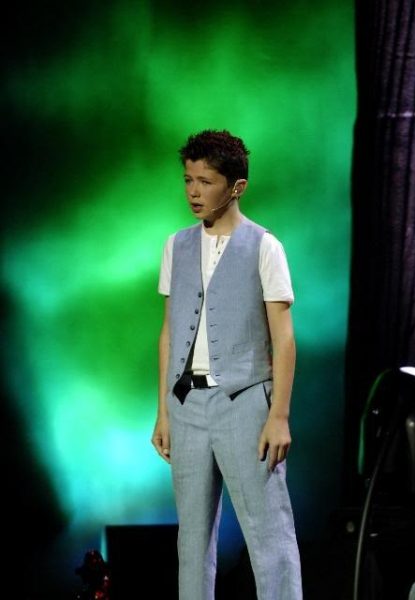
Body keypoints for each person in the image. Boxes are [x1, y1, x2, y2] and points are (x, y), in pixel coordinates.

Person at [151, 129, 302, 600]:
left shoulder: (264, 246)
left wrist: (278, 415)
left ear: (236, 186)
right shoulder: (176, 245)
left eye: (206, 181)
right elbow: (169, 332)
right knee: (192, 540)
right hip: (187, 406)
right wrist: (163, 410)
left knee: (269, 535)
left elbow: (284, 338)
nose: (193, 192)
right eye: (188, 180)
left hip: (246, 403)